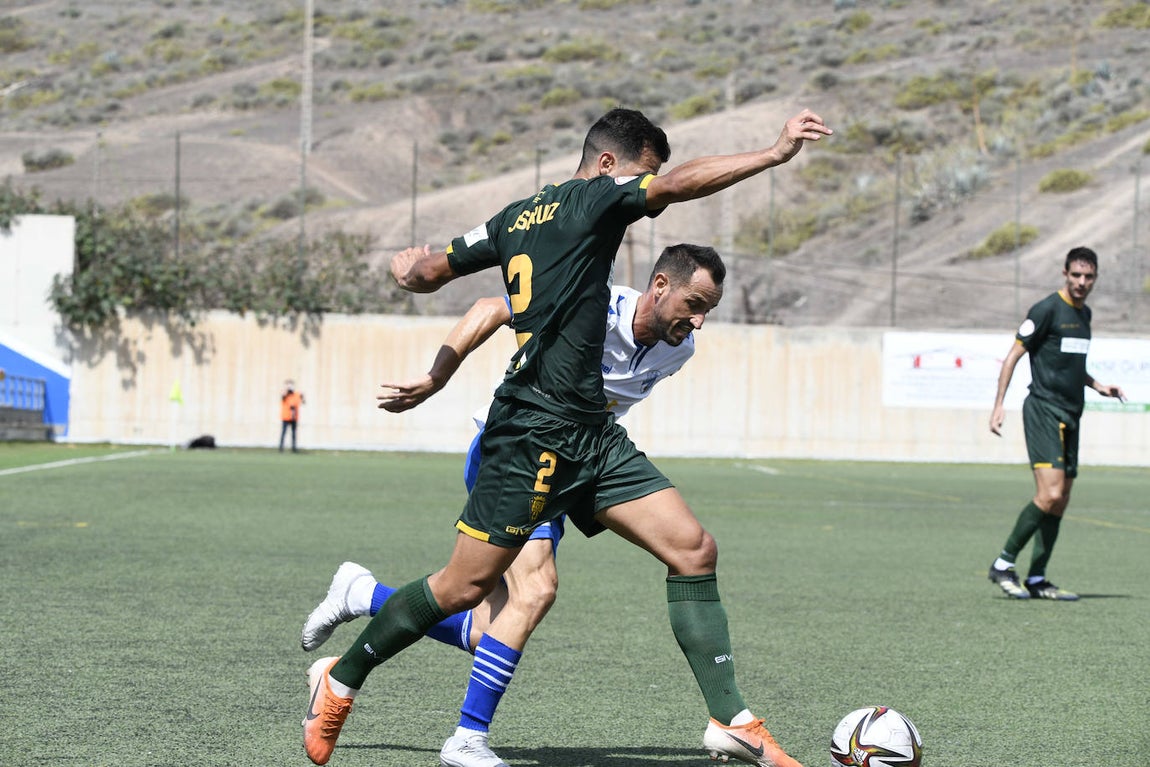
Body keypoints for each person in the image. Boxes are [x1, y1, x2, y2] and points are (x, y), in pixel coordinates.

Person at [303, 106, 832, 767]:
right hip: (530, 428)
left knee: (693, 547)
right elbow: (674, 189)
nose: (644, 190)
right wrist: (772, 155)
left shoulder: (513, 218)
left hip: (592, 433)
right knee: (468, 588)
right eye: (642, 174)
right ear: (607, 165)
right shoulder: (591, 203)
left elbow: (429, 272)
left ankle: (731, 718)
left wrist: (406, 272)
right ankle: (344, 676)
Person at [302, 243, 726, 767]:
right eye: (696, 302)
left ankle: (365, 595)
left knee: (487, 627)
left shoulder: (677, 350)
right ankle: (466, 738)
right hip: (516, 450)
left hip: (572, 465)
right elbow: (489, 308)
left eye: (710, 309)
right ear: (660, 285)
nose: (701, 320)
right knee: (535, 588)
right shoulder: (590, 304)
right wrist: (436, 376)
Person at [986, 246, 1125, 600]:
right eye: (1076, 275)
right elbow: (1013, 356)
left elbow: (1072, 365)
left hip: (1072, 413)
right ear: (1065, 273)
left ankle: (1037, 578)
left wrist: (1098, 386)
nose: (1081, 282)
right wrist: (999, 404)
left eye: (1088, 276)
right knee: (1048, 493)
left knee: (1060, 500)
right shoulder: (1046, 309)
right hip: (1044, 411)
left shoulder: (1085, 315)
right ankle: (1003, 564)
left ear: (1095, 278)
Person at [279, 380, 305, 453]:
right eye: (288, 385)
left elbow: (303, 402)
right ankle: (281, 447)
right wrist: (287, 389)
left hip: (294, 417)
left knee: (294, 433)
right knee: (283, 432)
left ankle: (294, 448)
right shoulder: (285, 394)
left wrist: (303, 396)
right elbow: (283, 397)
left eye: (291, 385)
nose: (290, 387)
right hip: (286, 417)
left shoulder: (296, 394)